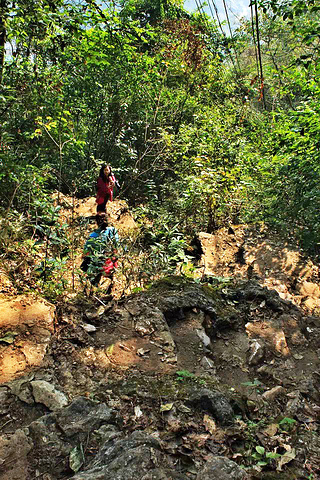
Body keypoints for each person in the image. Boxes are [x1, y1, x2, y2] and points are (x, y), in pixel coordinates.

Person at [81, 214, 119, 289]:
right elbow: (116, 246)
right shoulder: (113, 231)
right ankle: (110, 290)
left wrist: (84, 257)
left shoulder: (93, 235)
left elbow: (86, 251)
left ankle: (94, 292)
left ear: (97, 222)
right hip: (110, 261)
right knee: (110, 277)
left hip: (97, 261)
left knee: (93, 279)